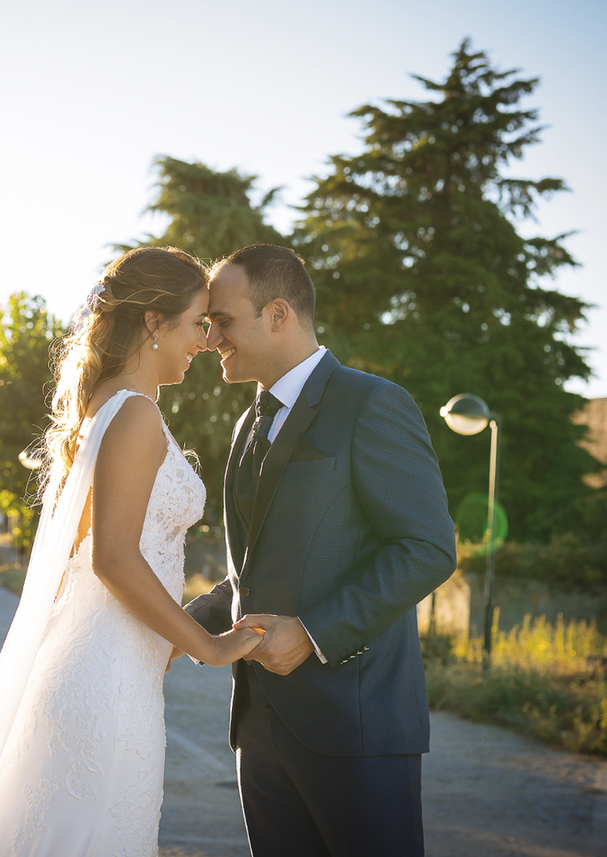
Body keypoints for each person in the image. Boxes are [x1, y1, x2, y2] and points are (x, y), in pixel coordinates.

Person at [0, 246, 262, 857]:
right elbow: (113, 557)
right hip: (105, 678)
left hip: (107, 664)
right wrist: (207, 645)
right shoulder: (134, 414)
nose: (207, 341)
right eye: (196, 323)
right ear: (154, 322)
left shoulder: (107, 405)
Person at [183, 244, 457, 857]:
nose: (210, 338)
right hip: (258, 725)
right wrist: (179, 627)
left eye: (222, 320)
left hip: (355, 724)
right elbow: (253, 570)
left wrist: (311, 633)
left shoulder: (372, 403)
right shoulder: (245, 425)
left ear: (278, 313)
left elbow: (427, 547)